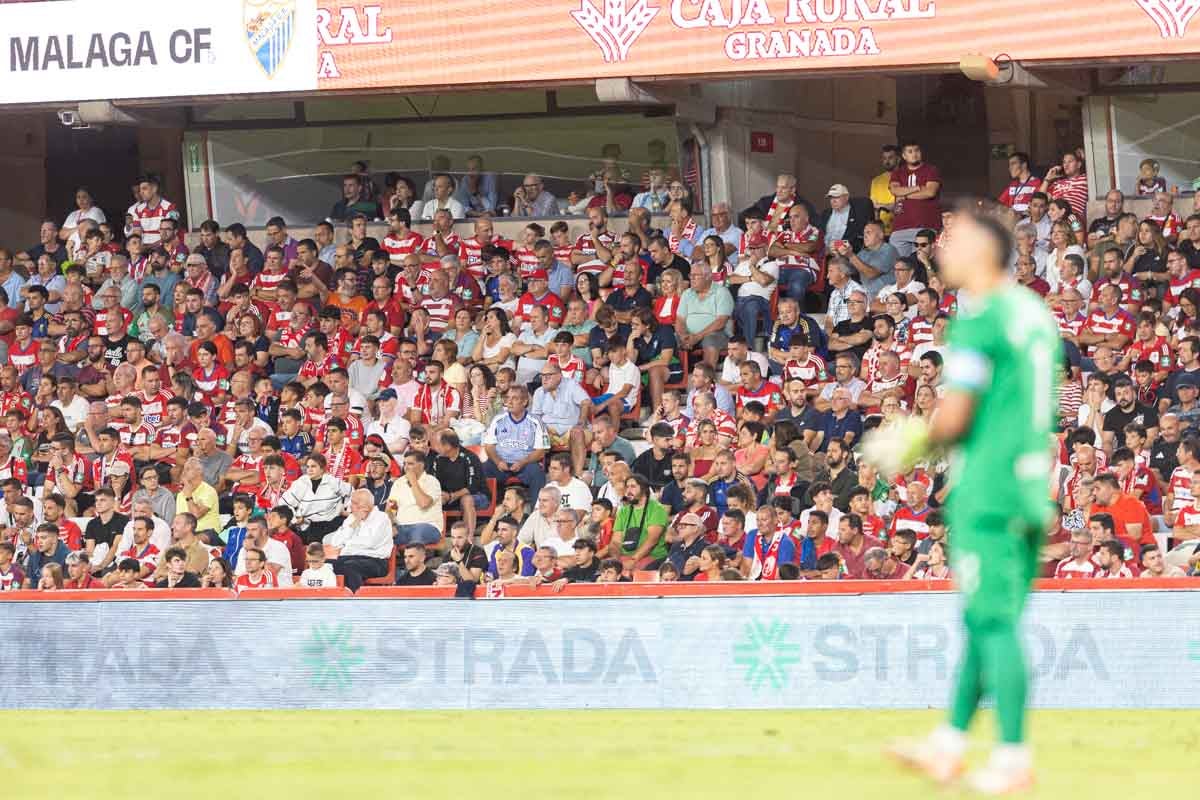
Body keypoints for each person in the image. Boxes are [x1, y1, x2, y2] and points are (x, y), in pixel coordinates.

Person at [873, 211, 1059, 792]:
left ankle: (1011, 757)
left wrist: (911, 443)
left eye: (955, 240)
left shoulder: (980, 315)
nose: (944, 249)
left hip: (988, 487)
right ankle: (949, 745)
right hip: (1030, 483)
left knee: (993, 622)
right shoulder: (1033, 312)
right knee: (985, 621)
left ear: (985, 250)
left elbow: (956, 415)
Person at [481, 385, 548, 501]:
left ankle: (535, 513)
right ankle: (491, 509)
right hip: (501, 463)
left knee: (537, 473)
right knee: (484, 468)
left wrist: (523, 462)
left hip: (526, 463)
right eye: (508, 398)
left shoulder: (536, 421)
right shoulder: (498, 419)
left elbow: (541, 451)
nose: (509, 402)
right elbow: (489, 446)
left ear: (524, 401)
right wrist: (498, 461)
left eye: (515, 398)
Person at [326, 489, 395, 591]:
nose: (350, 506)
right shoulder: (351, 518)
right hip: (346, 558)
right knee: (324, 565)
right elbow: (336, 542)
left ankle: (354, 602)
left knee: (349, 568)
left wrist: (348, 543)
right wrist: (355, 522)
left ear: (365, 506)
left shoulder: (382, 518)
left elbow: (370, 543)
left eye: (353, 503)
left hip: (375, 561)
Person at [389, 450, 444, 547]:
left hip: (428, 526)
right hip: (402, 527)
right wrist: (391, 525)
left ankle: (413, 560)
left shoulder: (432, 481)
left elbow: (423, 503)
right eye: (404, 463)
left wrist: (413, 481)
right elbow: (391, 508)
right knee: (380, 534)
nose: (406, 467)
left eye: (410, 464)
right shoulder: (398, 483)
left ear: (421, 465)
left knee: (417, 532)